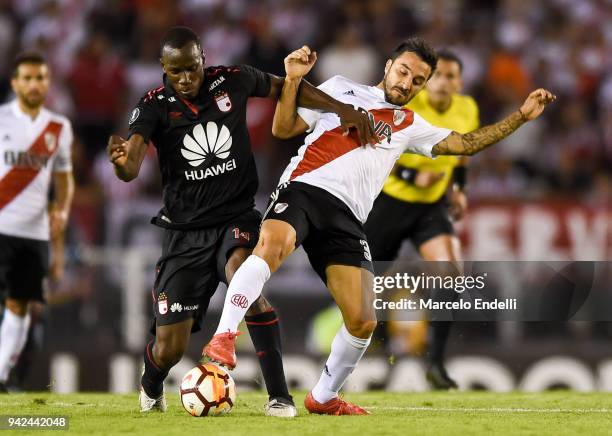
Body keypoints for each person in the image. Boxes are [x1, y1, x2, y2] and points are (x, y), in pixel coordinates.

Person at [203, 38, 555, 415]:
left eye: (417, 80)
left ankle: (323, 398)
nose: (407, 83)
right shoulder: (340, 88)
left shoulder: (410, 124)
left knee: (363, 319)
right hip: (305, 188)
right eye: (403, 71)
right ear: (388, 66)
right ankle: (224, 336)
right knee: (271, 247)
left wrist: (520, 116)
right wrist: (291, 81)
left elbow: (465, 144)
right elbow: (284, 127)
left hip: (348, 217)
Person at [107, 26, 376, 416]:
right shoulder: (152, 105)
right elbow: (130, 168)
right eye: (176, 71)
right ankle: (150, 383)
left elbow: (291, 88)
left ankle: (279, 397)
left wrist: (341, 108)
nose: (186, 79)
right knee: (170, 348)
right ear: (164, 68)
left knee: (245, 279)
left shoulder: (232, 79)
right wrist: (120, 165)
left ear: (203, 58)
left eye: (192, 68)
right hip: (184, 234)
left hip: (236, 216)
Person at [365, 50, 478, 390]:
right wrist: (415, 178)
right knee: (362, 284)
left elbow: (461, 154)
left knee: (450, 273)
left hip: (429, 208)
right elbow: (380, 148)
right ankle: (377, 346)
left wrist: (458, 189)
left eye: (450, 76)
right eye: (438, 76)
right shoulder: (409, 107)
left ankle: (435, 363)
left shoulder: (467, 109)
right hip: (389, 202)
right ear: (428, 81)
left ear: (459, 82)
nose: (443, 82)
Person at [0, 52, 74, 392]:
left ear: (47, 82)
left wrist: (62, 209)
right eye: (27, 78)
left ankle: (1, 377)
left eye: (40, 78)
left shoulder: (58, 127)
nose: (34, 84)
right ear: (15, 83)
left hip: (33, 231)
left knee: (20, 305)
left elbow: (63, 179)